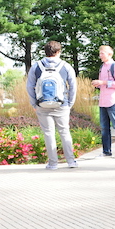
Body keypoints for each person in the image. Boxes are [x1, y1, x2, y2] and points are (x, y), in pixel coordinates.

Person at [26, 41, 78, 169]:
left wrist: (34, 103)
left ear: (45, 52)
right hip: (62, 104)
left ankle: (53, 163)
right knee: (64, 132)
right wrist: (70, 103)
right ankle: (71, 162)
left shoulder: (36, 66)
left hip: (42, 105)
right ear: (59, 52)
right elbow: (73, 86)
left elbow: (29, 86)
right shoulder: (65, 66)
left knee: (48, 133)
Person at [91, 45, 115, 158]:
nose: (100, 55)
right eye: (100, 53)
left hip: (112, 100)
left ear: (109, 54)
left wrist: (103, 83)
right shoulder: (102, 67)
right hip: (103, 101)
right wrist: (98, 84)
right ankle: (106, 151)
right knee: (104, 128)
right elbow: (103, 83)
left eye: (102, 53)